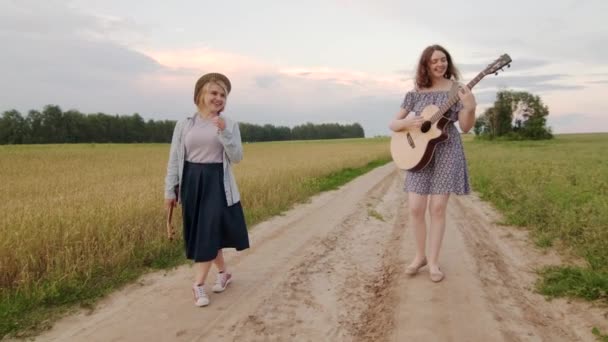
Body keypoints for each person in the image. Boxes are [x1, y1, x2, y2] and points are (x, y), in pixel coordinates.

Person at [389, 44, 476, 282]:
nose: (440, 64)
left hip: (447, 149)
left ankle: (434, 262)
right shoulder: (415, 93)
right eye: (434, 61)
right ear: (426, 65)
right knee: (416, 208)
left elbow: (466, 128)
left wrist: (470, 106)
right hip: (418, 153)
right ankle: (420, 257)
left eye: (443, 60)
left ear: (448, 62)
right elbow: (394, 124)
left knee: (437, 208)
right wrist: (410, 123)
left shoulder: (457, 90)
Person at [164, 72, 250, 306]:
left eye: (223, 95)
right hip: (191, 181)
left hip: (216, 182)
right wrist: (170, 191)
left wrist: (224, 132)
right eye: (214, 92)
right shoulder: (184, 124)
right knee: (206, 232)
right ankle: (223, 274)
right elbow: (174, 159)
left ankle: (198, 284)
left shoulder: (229, 124)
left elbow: (237, 156)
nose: (219, 98)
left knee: (208, 230)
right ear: (201, 94)